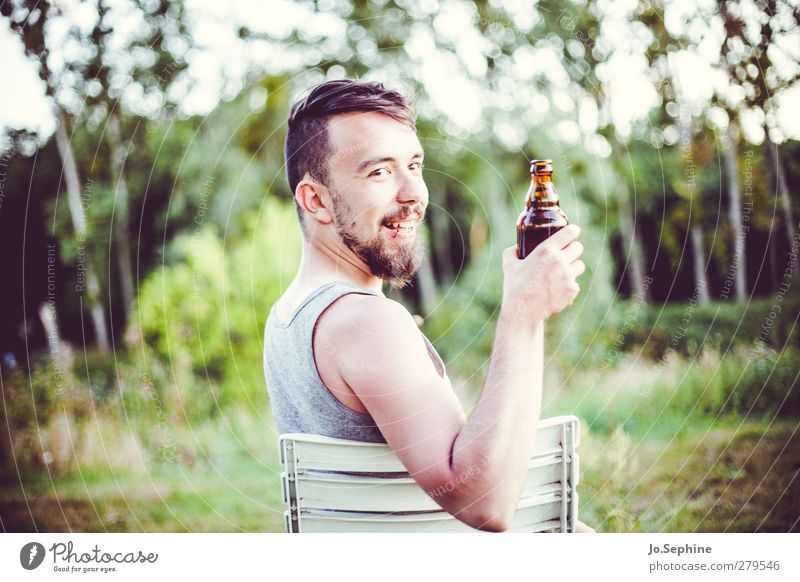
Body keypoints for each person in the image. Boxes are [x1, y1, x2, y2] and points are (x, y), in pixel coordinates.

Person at [264, 79, 592, 532]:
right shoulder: (364, 321)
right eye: (379, 172)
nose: (414, 194)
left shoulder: (288, 315)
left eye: (414, 165)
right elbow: (486, 504)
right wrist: (524, 313)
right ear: (315, 200)